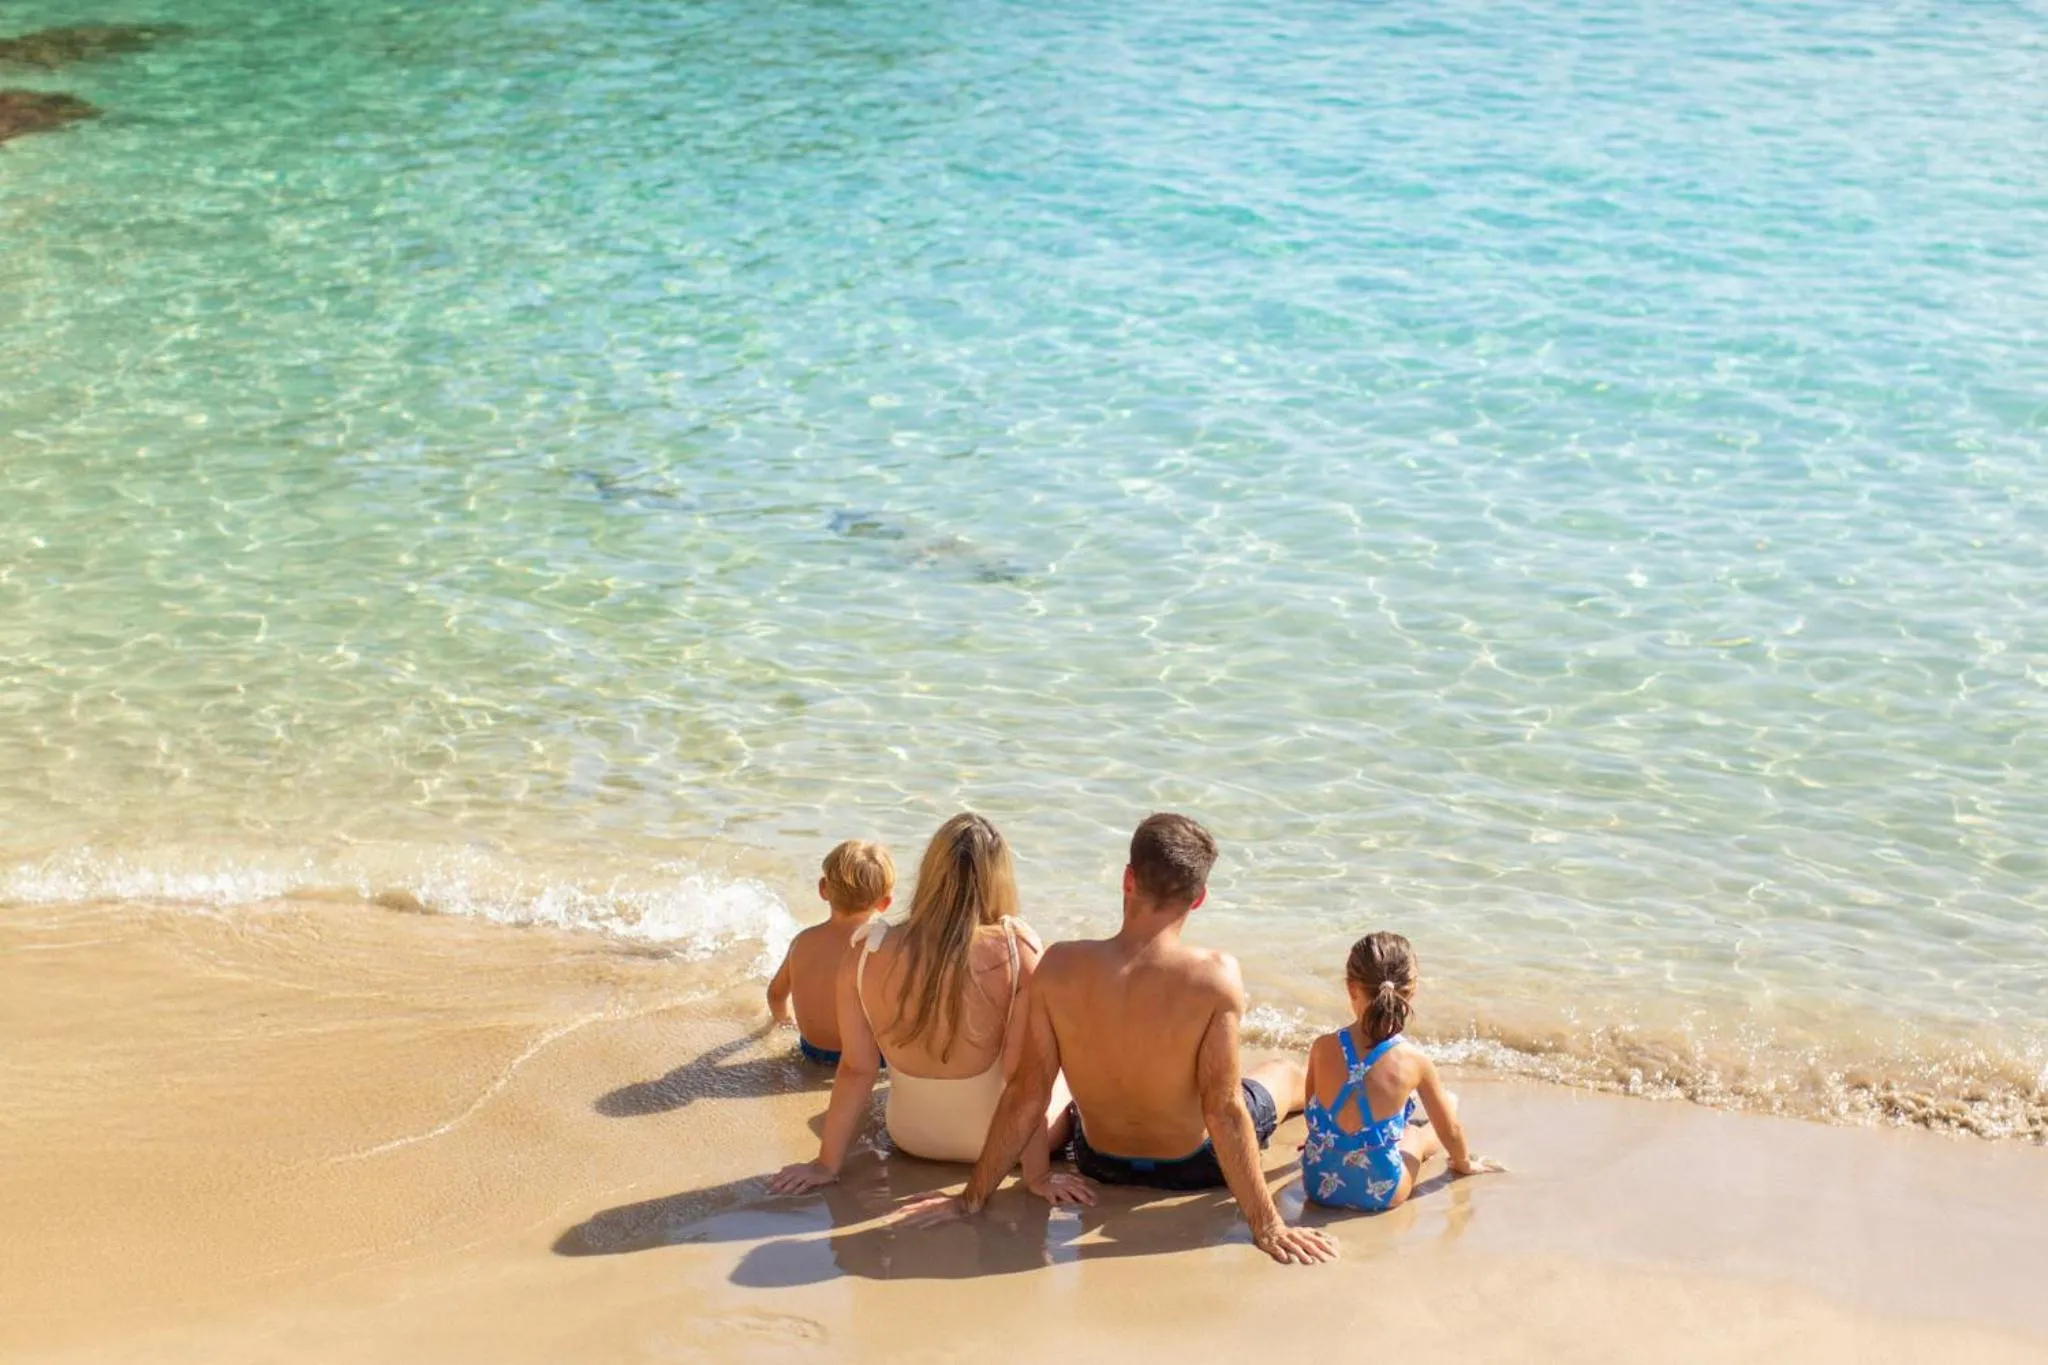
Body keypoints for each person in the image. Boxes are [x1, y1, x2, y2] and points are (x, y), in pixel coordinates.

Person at [907, 812, 1337, 1265]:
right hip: (1195, 1167)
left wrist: (972, 1197)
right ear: (1199, 899)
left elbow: (1026, 1091)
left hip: (1099, 1163)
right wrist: (1267, 1225)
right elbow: (1223, 1107)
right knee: (1281, 1073)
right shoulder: (1214, 977)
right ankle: (1372, 1096)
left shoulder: (1058, 967)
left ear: (1128, 879)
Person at [767, 814, 1088, 1202]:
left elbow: (857, 1068)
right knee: (1059, 1076)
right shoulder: (1016, 950)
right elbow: (1021, 1080)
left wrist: (825, 1165)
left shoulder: (867, 950)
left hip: (911, 1137)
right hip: (1003, 1146)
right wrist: (1037, 1176)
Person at [1300, 931, 1502, 1212]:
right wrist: (1463, 1162)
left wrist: (1326, 1140)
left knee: (1378, 1126)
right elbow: (1451, 1130)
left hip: (1318, 1183)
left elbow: (1312, 1111)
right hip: (1380, 1192)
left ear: (1351, 988)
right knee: (1415, 1135)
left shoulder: (1322, 1047)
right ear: (1411, 991)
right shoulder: (1414, 1061)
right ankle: (1445, 1112)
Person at [767, 840, 896, 1066]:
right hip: (863, 1057)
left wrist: (784, 1023)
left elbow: (775, 995)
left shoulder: (802, 942)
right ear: (884, 903)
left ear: (823, 889)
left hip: (812, 1050)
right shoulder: (880, 948)